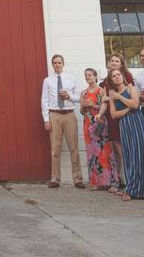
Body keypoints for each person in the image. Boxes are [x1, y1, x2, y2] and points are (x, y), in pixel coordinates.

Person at [106, 68, 144, 201]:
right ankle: (131, 188)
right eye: (113, 76)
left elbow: (136, 104)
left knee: (141, 154)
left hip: (137, 122)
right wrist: (128, 107)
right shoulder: (112, 95)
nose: (117, 77)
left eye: (118, 74)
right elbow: (114, 114)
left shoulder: (131, 87)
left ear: (122, 76)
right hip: (124, 125)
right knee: (128, 156)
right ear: (111, 80)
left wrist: (120, 98)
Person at [41, 54, 84, 188]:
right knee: (55, 149)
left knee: (74, 148)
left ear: (63, 64)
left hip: (69, 114)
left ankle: (77, 179)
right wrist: (46, 119)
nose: (57, 65)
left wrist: (69, 95)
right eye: (55, 63)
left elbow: (79, 98)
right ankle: (55, 178)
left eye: (59, 62)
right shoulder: (47, 81)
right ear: (52, 64)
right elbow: (44, 100)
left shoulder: (71, 79)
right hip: (55, 115)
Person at [80, 68, 116, 190]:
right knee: (92, 153)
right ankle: (96, 182)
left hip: (99, 123)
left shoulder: (101, 90)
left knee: (104, 151)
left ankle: (108, 181)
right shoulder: (83, 93)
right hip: (87, 124)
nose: (88, 77)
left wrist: (93, 105)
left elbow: (105, 106)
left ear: (95, 77)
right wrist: (84, 106)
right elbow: (81, 111)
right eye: (86, 75)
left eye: (90, 75)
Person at [102, 53, 132, 192]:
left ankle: (129, 180)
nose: (114, 62)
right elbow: (102, 99)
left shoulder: (127, 77)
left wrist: (109, 98)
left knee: (124, 148)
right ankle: (119, 178)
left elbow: (130, 96)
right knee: (115, 149)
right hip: (111, 117)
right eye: (112, 60)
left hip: (124, 115)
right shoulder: (105, 82)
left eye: (116, 60)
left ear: (121, 63)